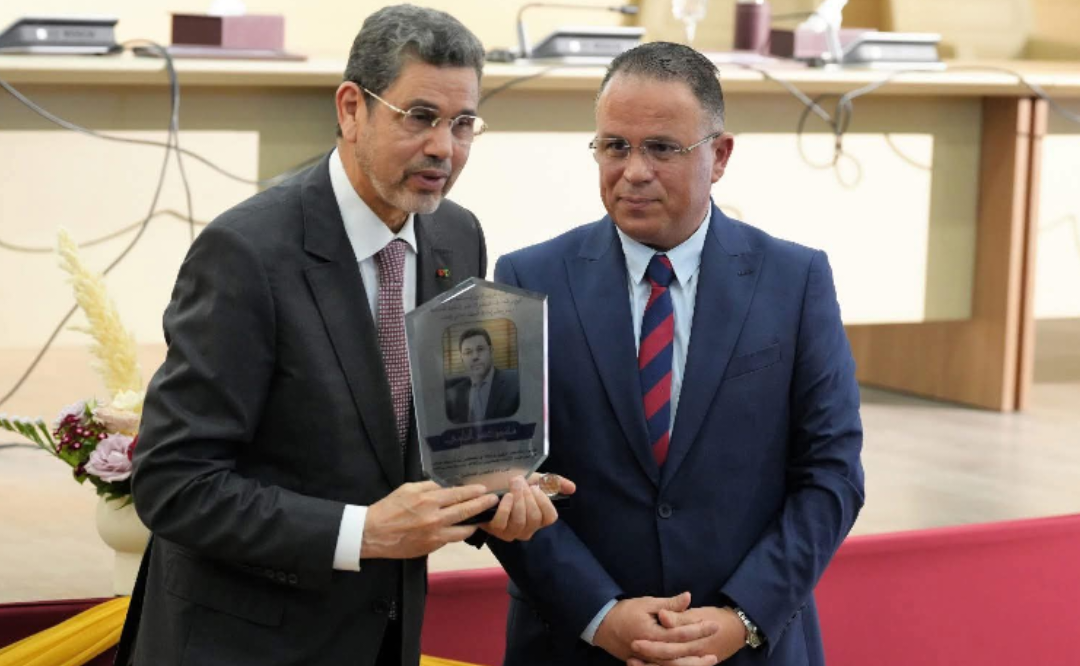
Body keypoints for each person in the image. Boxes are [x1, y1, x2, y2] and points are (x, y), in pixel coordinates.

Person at [119, 6, 570, 666]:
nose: (444, 148)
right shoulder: (247, 252)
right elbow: (173, 483)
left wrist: (496, 495)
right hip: (243, 643)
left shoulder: (456, 235)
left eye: (462, 123)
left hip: (385, 637)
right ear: (352, 108)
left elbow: (423, 444)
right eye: (420, 117)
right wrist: (362, 532)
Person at [488, 42, 865, 666]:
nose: (634, 171)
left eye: (662, 148)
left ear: (720, 156)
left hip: (748, 646)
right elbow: (499, 479)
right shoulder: (528, 279)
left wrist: (742, 617)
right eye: (614, 146)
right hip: (574, 642)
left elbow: (832, 473)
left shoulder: (794, 281)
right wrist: (600, 615)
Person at [445, 327, 520, 424]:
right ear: (462, 358)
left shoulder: (515, 383)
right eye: (468, 352)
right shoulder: (454, 395)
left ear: (491, 351)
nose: (475, 357)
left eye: (480, 349)